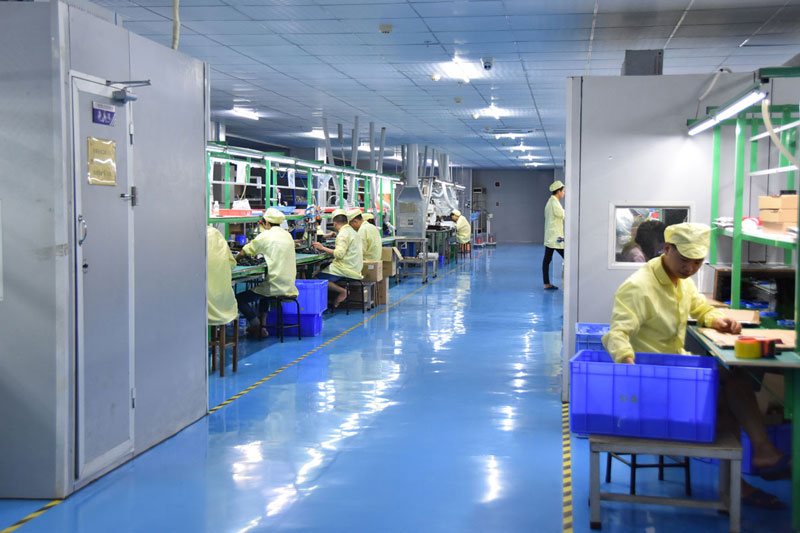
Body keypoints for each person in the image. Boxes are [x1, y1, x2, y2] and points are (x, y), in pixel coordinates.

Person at [603, 222, 789, 509]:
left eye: (698, 262)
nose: (690, 268)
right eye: (684, 260)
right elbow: (617, 334)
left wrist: (716, 319)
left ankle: (744, 475)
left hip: (675, 371)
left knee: (729, 385)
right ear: (666, 249)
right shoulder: (639, 287)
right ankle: (756, 460)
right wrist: (630, 366)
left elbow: (699, 307)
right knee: (731, 383)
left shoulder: (681, 281)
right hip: (651, 381)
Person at [235, 208, 298, 338]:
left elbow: (245, 251)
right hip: (289, 284)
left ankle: (256, 325)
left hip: (275, 284)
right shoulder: (287, 235)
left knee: (238, 299)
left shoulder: (265, 235)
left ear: (267, 223)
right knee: (264, 295)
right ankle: (263, 328)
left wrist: (234, 260)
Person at [312, 209, 363, 308]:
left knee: (316, 279)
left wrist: (322, 248)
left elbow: (339, 254)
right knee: (324, 268)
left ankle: (342, 292)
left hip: (345, 268)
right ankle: (328, 299)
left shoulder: (343, 234)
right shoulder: (353, 232)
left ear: (335, 223)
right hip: (355, 267)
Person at [207, 226, 238, 327]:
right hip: (224, 303)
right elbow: (232, 263)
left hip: (203, 306)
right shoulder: (215, 233)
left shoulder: (191, 236)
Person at [543, 180, 565, 290]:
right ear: (558, 191)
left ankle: (546, 283)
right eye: (563, 191)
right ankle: (569, 282)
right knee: (568, 257)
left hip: (551, 236)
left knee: (547, 260)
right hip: (555, 237)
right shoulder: (554, 202)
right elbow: (562, 214)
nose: (564, 193)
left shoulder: (550, 201)